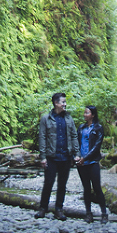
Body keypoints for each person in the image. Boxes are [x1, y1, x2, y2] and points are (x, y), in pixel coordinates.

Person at [34, 92, 79, 220]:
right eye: (63, 102)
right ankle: (43, 208)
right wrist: (42, 157)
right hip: (51, 157)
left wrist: (77, 154)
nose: (65, 104)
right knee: (48, 183)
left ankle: (59, 210)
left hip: (65, 156)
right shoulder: (46, 118)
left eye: (65, 102)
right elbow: (42, 137)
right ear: (56, 103)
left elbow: (74, 136)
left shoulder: (69, 118)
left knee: (62, 184)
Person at [76, 104, 108, 223]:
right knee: (86, 188)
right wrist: (78, 157)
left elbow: (96, 146)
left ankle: (104, 213)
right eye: (84, 112)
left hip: (92, 162)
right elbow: (76, 143)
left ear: (93, 115)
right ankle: (88, 213)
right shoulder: (81, 128)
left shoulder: (98, 128)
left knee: (96, 188)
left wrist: (86, 158)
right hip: (81, 163)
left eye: (87, 113)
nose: (85, 114)